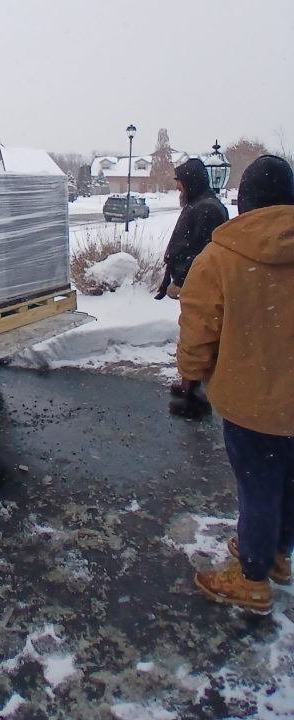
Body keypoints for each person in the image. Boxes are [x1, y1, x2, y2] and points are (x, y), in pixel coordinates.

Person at [176, 155, 294, 615]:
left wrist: (190, 378)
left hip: (251, 403)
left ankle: (251, 577)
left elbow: (199, 330)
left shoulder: (221, 258)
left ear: (244, 201)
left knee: (258, 486)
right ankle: (277, 552)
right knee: (289, 481)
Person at [154, 158, 228, 418]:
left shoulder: (207, 208)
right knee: (193, 334)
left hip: (200, 284)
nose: (178, 187)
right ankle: (190, 386)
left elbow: (203, 252)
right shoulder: (199, 203)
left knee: (198, 335)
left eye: (180, 182)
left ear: (191, 182)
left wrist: (184, 277)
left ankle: (195, 398)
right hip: (193, 280)